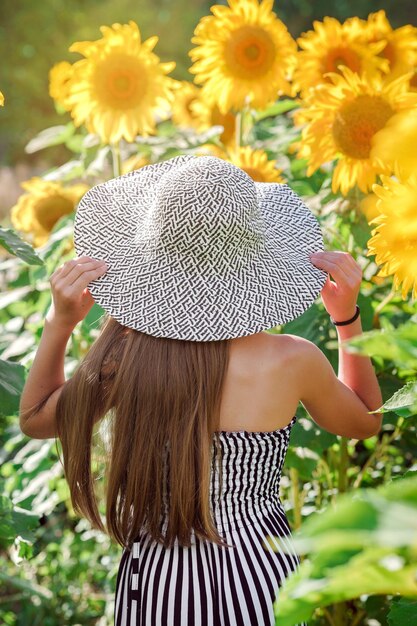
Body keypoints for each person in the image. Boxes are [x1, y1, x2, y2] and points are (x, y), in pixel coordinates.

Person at [19, 156, 383, 626]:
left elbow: (36, 419)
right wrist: (347, 321)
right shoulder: (292, 360)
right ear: (258, 257)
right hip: (260, 574)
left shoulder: (128, 356)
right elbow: (364, 422)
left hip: (158, 580)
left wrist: (59, 323)